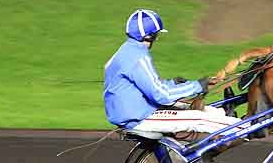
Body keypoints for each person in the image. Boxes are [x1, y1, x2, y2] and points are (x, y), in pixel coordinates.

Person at [103, 9, 243, 137]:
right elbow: (162, 95)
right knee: (198, 119)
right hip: (138, 117)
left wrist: (172, 83)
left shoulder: (126, 51)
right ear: (149, 36)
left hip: (131, 111)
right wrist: (198, 85)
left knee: (190, 107)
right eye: (156, 35)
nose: (156, 39)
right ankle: (245, 129)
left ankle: (223, 113)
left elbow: (148, 86)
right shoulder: (138, 57)